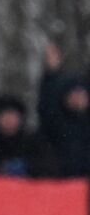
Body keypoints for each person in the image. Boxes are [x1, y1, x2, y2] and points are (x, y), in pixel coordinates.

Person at [35, 42, 90, 178]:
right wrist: (51, 73)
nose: (77, 99)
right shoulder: (57, 125)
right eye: (72, 95)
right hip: (63, 182)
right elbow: (46, 106)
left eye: (81, 95)